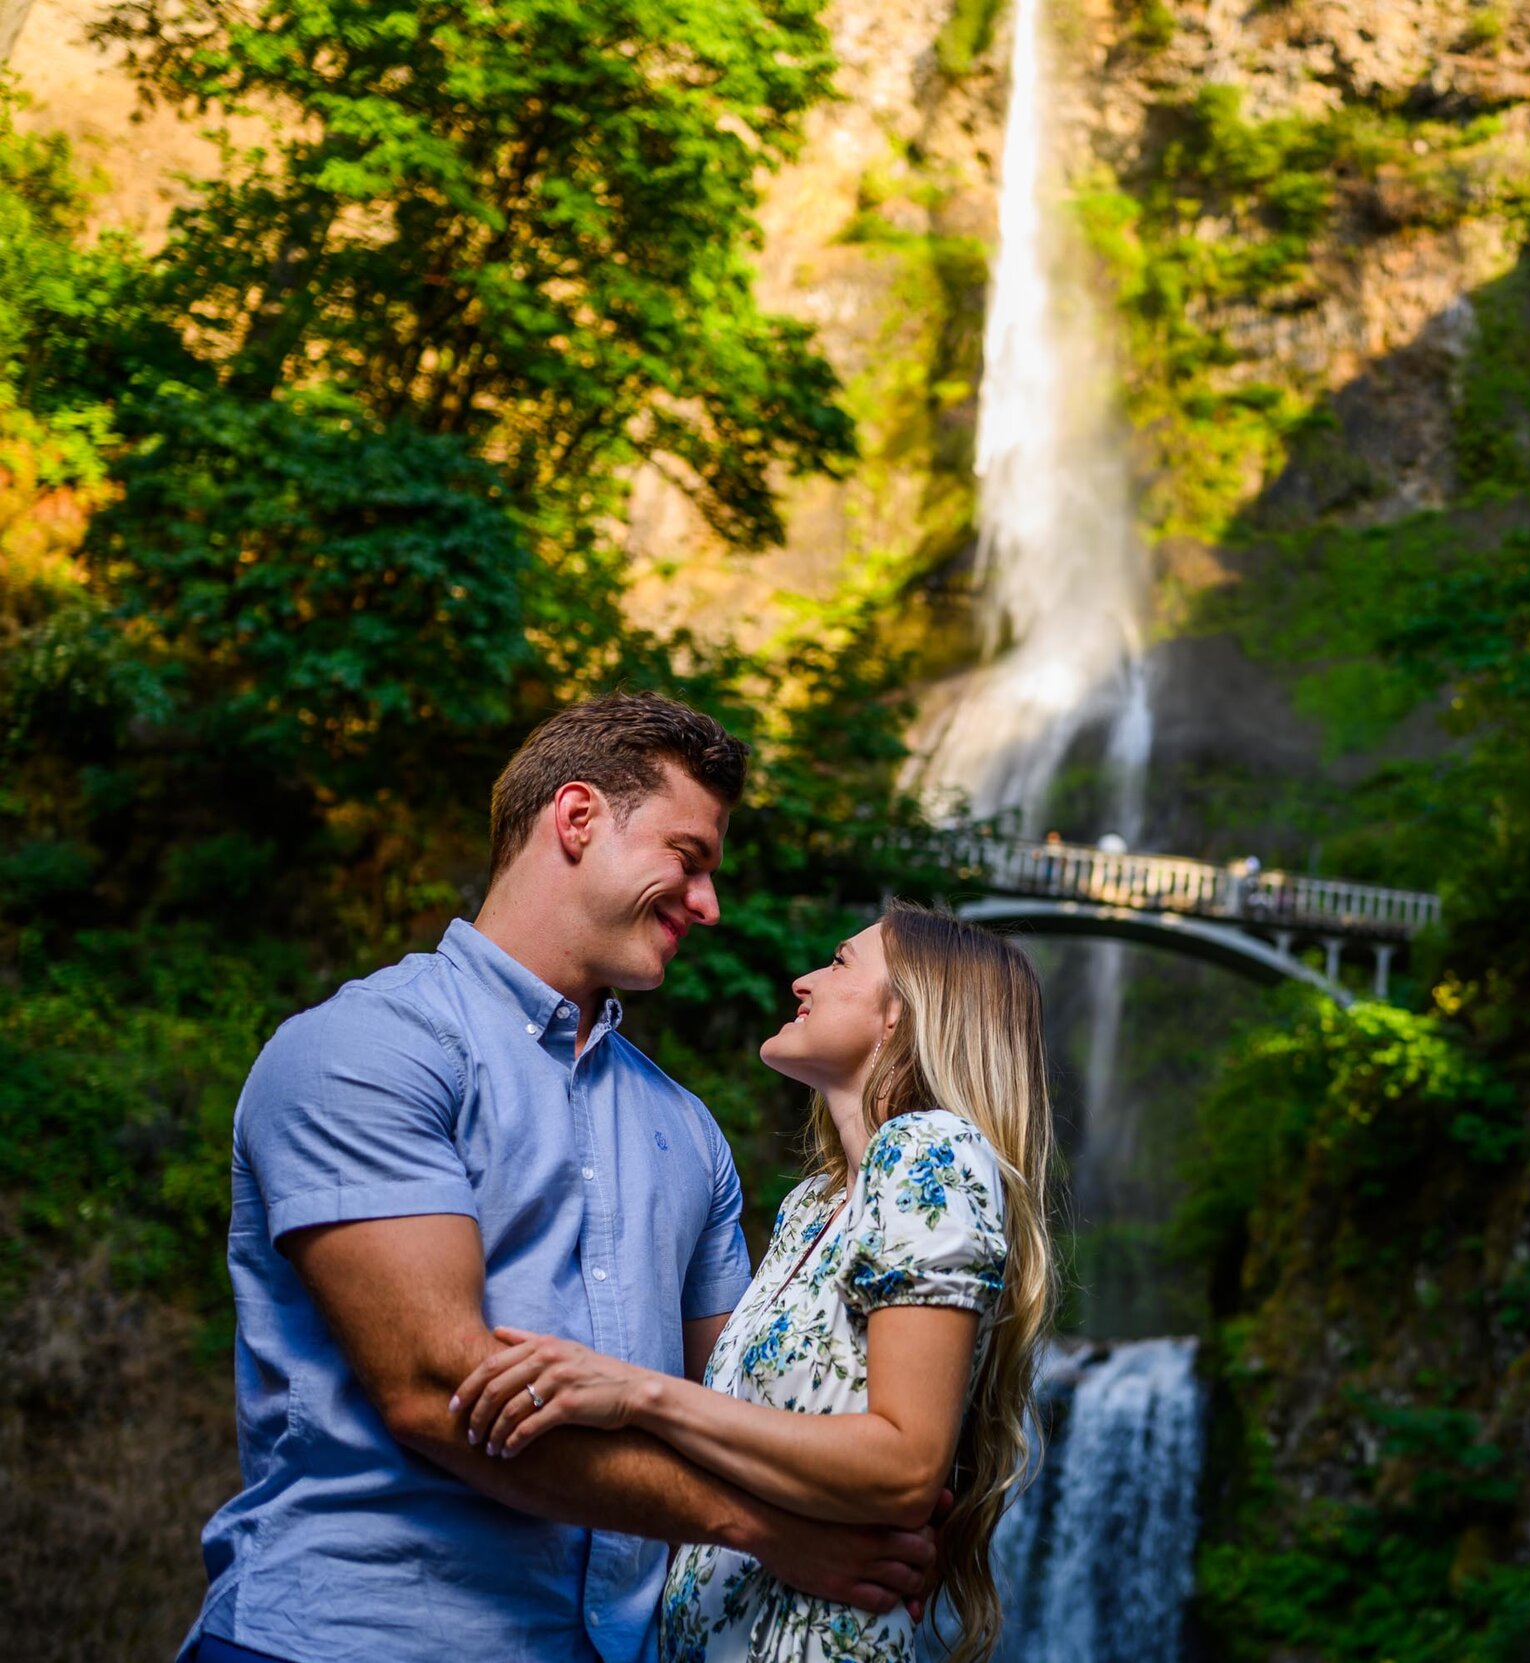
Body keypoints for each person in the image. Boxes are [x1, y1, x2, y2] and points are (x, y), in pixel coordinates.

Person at [182, 693, 938, 1663]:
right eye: (688, 858)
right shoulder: (366, 1048)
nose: (707, 905)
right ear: (577, 819)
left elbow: (739, 1401)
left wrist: (901, 1457)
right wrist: (762, 1530)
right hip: (344, 1635)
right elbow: (435, 1395)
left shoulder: (685, 1128)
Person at [445, 903, 1057, 1663]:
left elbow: (905, 1466)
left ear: (904, 1012)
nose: (802, 981)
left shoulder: (930, 1151)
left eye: (837, 963)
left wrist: (638, 1393)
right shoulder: (815, 1206)